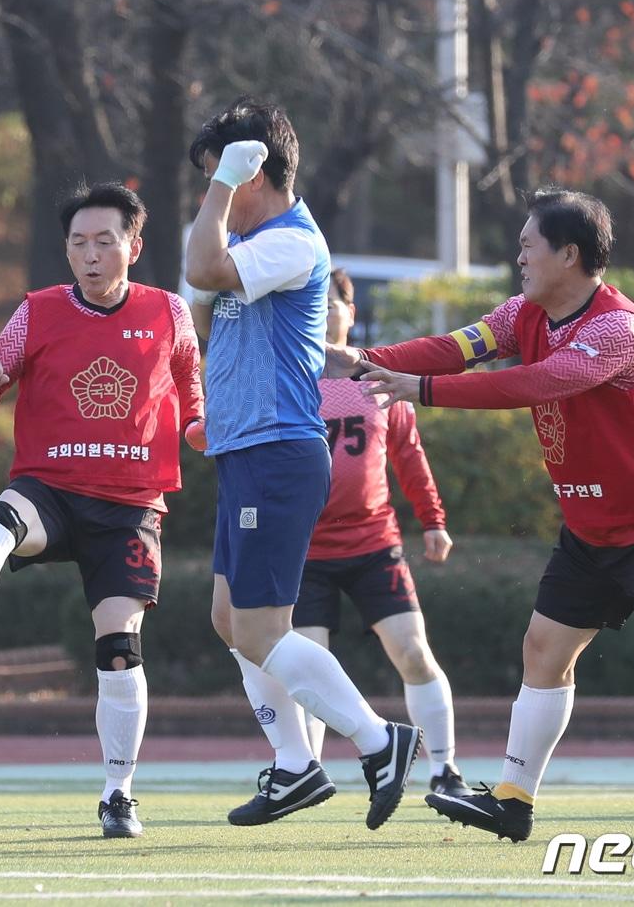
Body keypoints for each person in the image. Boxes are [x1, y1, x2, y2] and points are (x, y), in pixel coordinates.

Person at [326, 187, 634, 844]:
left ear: (570, 254)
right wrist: (369, 363)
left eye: (530, 244)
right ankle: (513, 800)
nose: (520, 255)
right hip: (589, 527)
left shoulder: (620, 329)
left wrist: (422, 391)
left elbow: (536, 383)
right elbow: (457, 347)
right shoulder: (519, 313)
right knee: (543, 652)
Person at [0, 182, 205, 839]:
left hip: (129, 507)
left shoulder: (169, 312)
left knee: (119, 650)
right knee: (3, 518)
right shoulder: (37, 310)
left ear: (134, 246)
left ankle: (119, 793)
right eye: (78, 243)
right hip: (51, 487)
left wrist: (213, 431)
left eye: (104, 241)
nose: (90, 255)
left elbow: (192, 392)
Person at [182, 97, 421, 833]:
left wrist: (221, 191)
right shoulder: (253, 248)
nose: (208, 193)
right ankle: (295, 767)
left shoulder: (293, 242)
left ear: (252, 173)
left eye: (217, 176)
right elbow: (199, 302)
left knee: (259, 627)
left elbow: (202, 265)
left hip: (280, 453)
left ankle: (382, 742)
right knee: (231, 619)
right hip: (246, 452)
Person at [229, 268, 467, 826]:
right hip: (303, 549)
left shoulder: (376, 377)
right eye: (319, 302)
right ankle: (305, 768)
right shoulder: (286, 371)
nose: (327, 310)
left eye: (336, 301)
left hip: (371, 541)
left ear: (350, 313)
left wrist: (433, 520)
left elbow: (408, 455)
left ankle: (444, 767)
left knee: (412, 651)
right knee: (302, 660)